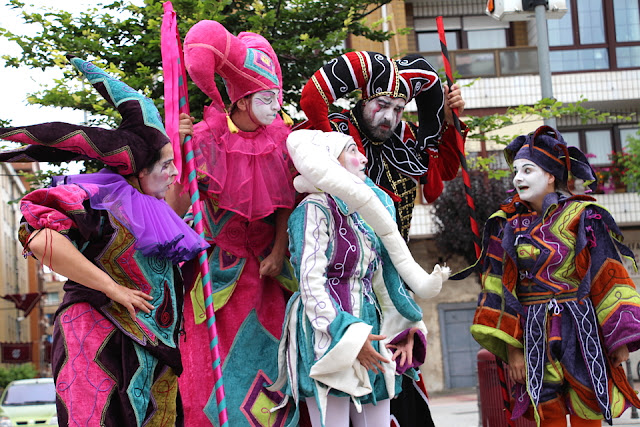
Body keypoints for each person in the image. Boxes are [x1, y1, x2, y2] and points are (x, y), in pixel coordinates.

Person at [0, 56, 208, 426]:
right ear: (138, 170)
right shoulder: (92, 197)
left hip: (151, 346)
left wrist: (186, 141)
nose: (173, 173)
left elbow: (181, 202)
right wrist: (114, 288)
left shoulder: (153, 209)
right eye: (166, 165)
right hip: (95, 338)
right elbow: (41, 239)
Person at [297, 50, 466, 425]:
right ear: (362, 99)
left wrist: (451, 121)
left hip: (392, 278)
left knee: (396, 391)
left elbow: (439, 180)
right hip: (340, 279)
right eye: (381, 104)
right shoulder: (336, 137)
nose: (389, 116)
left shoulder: (404, 141)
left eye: (399, 108)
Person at [453, 126, 640, 426]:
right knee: (545, 412)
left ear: (551, 175)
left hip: (583, 330)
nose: (518, 179)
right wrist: (514, 351)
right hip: (532, 334)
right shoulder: (507, 226)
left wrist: (618, 339)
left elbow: (609, 276)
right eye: (515, 171)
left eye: (528, 170)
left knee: (587, 408)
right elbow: (498, 287)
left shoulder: (584, 217)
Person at [268, 129, 450, 427]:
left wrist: (406, 329)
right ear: (329, 161)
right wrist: (348, 337)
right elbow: (311, 285)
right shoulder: (312, 209)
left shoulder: (363, 212)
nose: (362, 158)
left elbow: (382, 281)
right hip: (326, 333)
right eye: (352, 151)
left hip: (371, 328)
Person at [169, 20, 297, 426]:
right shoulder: (205, 137)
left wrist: (278, 253)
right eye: (267, 95)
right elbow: (176, 205)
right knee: (211, 374)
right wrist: (179, 148)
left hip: (268, 274)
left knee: (276, 367)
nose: (275, 103)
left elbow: (285, 205)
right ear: (241, 101)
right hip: (216, 277)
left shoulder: (282, 138)